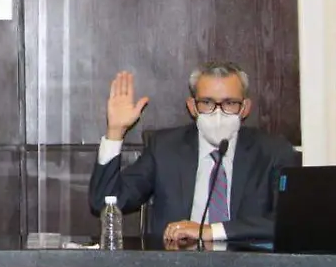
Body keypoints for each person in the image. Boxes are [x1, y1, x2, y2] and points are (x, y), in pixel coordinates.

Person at [88, 61, 298, 245]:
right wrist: (115, 131)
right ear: (192, 107)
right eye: (207, 103)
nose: (218, 113)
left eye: (229, 103)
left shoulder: (273, 152)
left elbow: (289, 221)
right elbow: (105, 202)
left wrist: (210, 231)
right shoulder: (165, 148)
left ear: (245, 108)